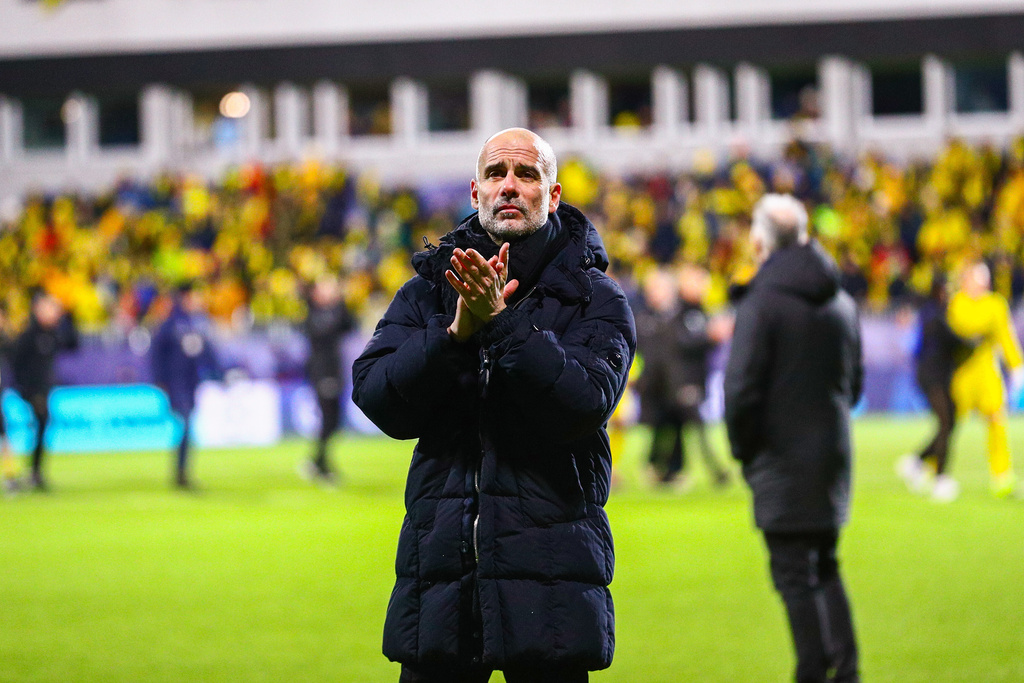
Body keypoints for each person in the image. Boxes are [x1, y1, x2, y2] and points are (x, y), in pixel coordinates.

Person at [352, 128, 635, 683]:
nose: (510, 185)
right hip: (442, 581)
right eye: (496, 173)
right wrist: (455, 333)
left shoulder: (595, 298)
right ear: (475, 191)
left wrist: (502, 325)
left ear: (552, 196)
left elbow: (583, 405)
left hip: (551, 583)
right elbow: (376, 396)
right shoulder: (429, 291)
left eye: (527, 174)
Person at [725, 193, 862, 683]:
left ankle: (811, 671)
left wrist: (745, 452)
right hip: (832, 458)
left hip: (781, 461)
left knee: (793, 576)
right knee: (824, 565)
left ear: (760, 242)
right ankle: (846, 672)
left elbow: (741, 390)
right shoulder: (842, 301)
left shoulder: (762, 302)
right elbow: (856, 385)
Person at [635, 266, 730, 489]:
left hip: (686, 379)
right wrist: (709, 336)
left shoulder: (694, 312)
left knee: (674, 426)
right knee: (693, 425)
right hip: (678, 381)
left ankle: (664, 469)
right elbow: (680, 344)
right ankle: (715, 472)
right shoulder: (678, 314)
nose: (703, 288)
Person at [945, 260, 1024, 498]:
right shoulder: (958, 302)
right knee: (948, 424)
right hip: (962, 372)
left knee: (997, 420)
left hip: (988, 371)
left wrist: (1016, 366)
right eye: (976, 277)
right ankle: (933, 468)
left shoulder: (995, 303)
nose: (981, 282)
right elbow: (963, 328)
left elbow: (1005, 336)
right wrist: (985, 329)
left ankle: (1002, 475)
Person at [897, 275, 975, 501]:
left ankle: (917, 462)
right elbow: (954, 341)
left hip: (936, 375)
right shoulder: (934, 315)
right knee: (946, 422)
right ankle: (940, 479)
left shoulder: (933, 313)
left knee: (949, 421)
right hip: (933, 377)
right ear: (940, 291)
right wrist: (977, 342)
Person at [151, 283, 219, 490]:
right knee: (186, 424)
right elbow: (156, 354)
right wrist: (161, 380)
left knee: (187, 427)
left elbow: (207, 353)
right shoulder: (171, 324)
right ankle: (180, 474)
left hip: (191, 384)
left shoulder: (196, 324)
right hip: (175, 383)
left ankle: (182, 473)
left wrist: (217, 373)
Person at [11, 291, 79, 491]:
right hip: (33, 392)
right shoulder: (28, 335)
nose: (53, 313)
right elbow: (16, 365)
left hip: (44, 390)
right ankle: (32, 473)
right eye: (49, 308)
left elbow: (73, 343)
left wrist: (69, 316)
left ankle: (35, 472)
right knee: (38, 426)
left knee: (41, 429)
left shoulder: (51, 333)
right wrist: (27, 392)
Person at [301, 275, 356, 485]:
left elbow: (348, 324)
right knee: (328, 419)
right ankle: (319, 464)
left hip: (333, 371)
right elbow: (328, 329)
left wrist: (340, 301)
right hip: (323, 372)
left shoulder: (332, 312)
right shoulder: (313, 315)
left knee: (334, 421)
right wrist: (336, 303)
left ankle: (317, 461)